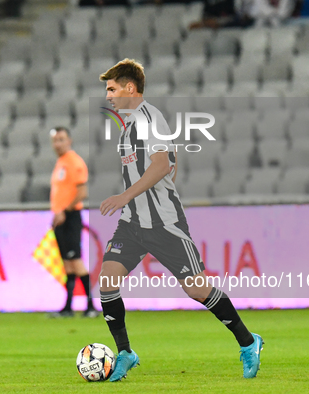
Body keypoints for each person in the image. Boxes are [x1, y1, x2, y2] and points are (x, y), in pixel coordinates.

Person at [97, 59, 263, 381]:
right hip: (132, 224)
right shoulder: (129, 126)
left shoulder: (150, 118)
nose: (108, 96)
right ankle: (125, 353)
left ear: (130, 88)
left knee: (198, 290)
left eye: (112, 88)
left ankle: (248, 342)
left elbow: (160, 166)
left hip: (164, 224)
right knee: (107, 280)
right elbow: (170, 161)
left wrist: (123, 197)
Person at [49, 127, 99, 318]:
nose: (58, 144)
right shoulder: (61, 163)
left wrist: (64, 210)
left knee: (76, 261)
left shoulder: (74, 162)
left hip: (70, 217)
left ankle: (91, 305)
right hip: (61, 217)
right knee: (68, 264)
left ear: (69, 141)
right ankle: (68, 307)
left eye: (61, 139)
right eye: (55, 140)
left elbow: (82, 192)